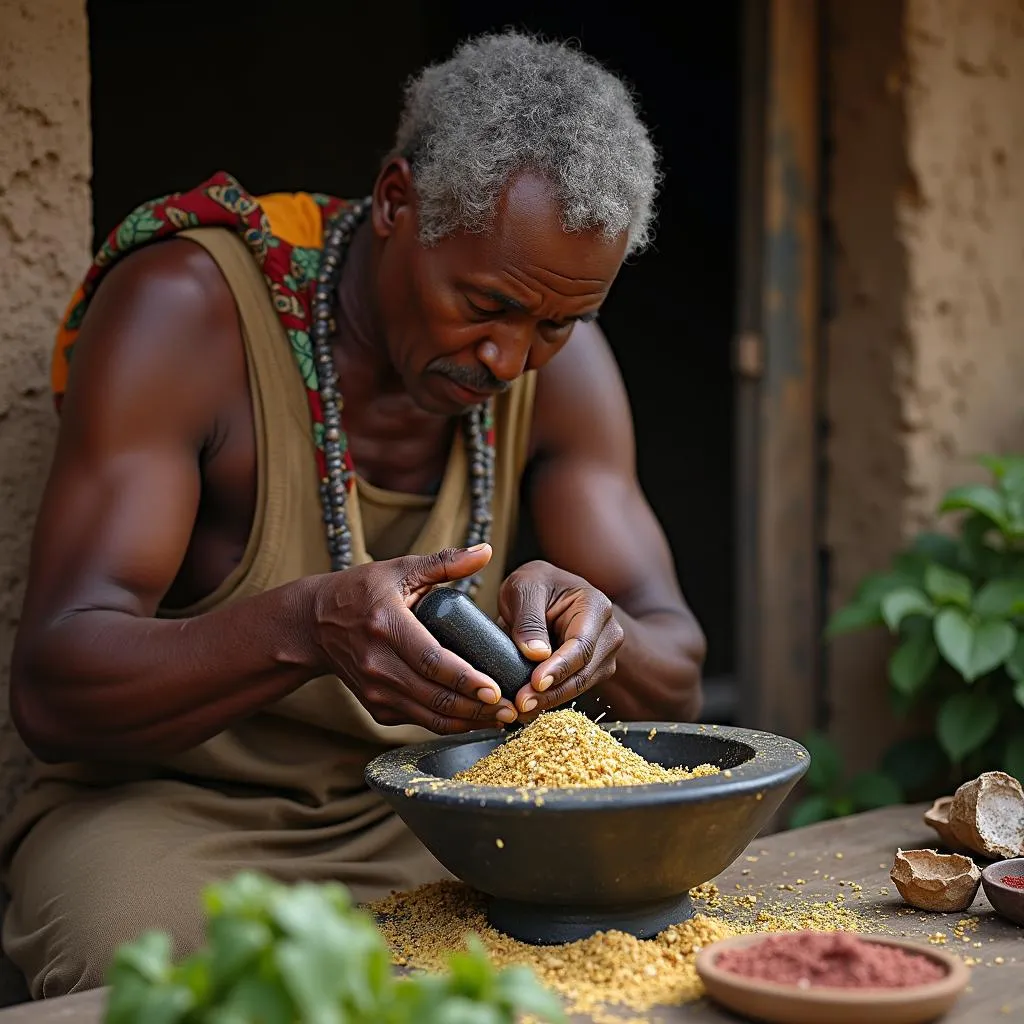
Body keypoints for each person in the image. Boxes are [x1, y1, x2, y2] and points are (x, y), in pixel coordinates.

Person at [0, 30, 706, 998]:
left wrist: (605, 637)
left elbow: (678, 669)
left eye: (553, 323)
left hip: (437, 808)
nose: (508, 359)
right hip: (170, 813)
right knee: (173, 982)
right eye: (485, 303)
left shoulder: (565, 367)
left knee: (609, 953)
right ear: (394, 202)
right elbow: (54, 691)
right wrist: (304, 624)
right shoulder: (188, 309)